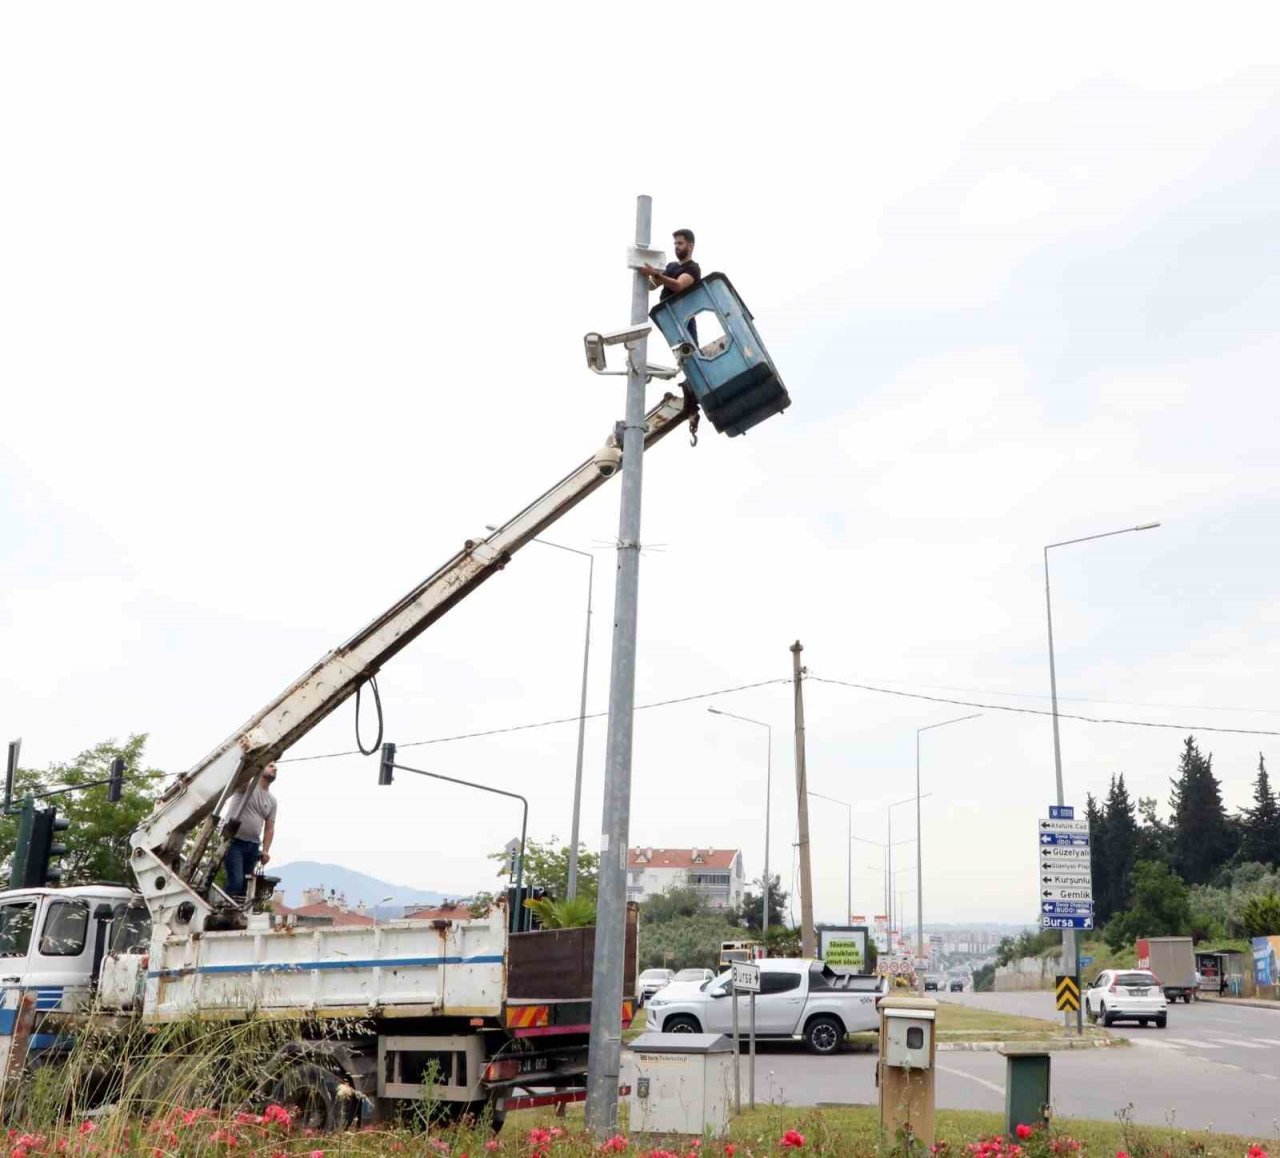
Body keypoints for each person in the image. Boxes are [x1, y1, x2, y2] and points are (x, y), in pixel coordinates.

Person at [222, 763, 278, 901]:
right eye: (270, 765)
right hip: (234, 841)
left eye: (276, 767)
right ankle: (224, 908)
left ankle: (236, 913)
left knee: (246, 887)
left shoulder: (272, 800)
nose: (275, 768)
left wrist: (265, 850)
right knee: (236, 881)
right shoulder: (247, 786)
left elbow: (269, 827)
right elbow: (242, 774)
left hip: (252, 845)